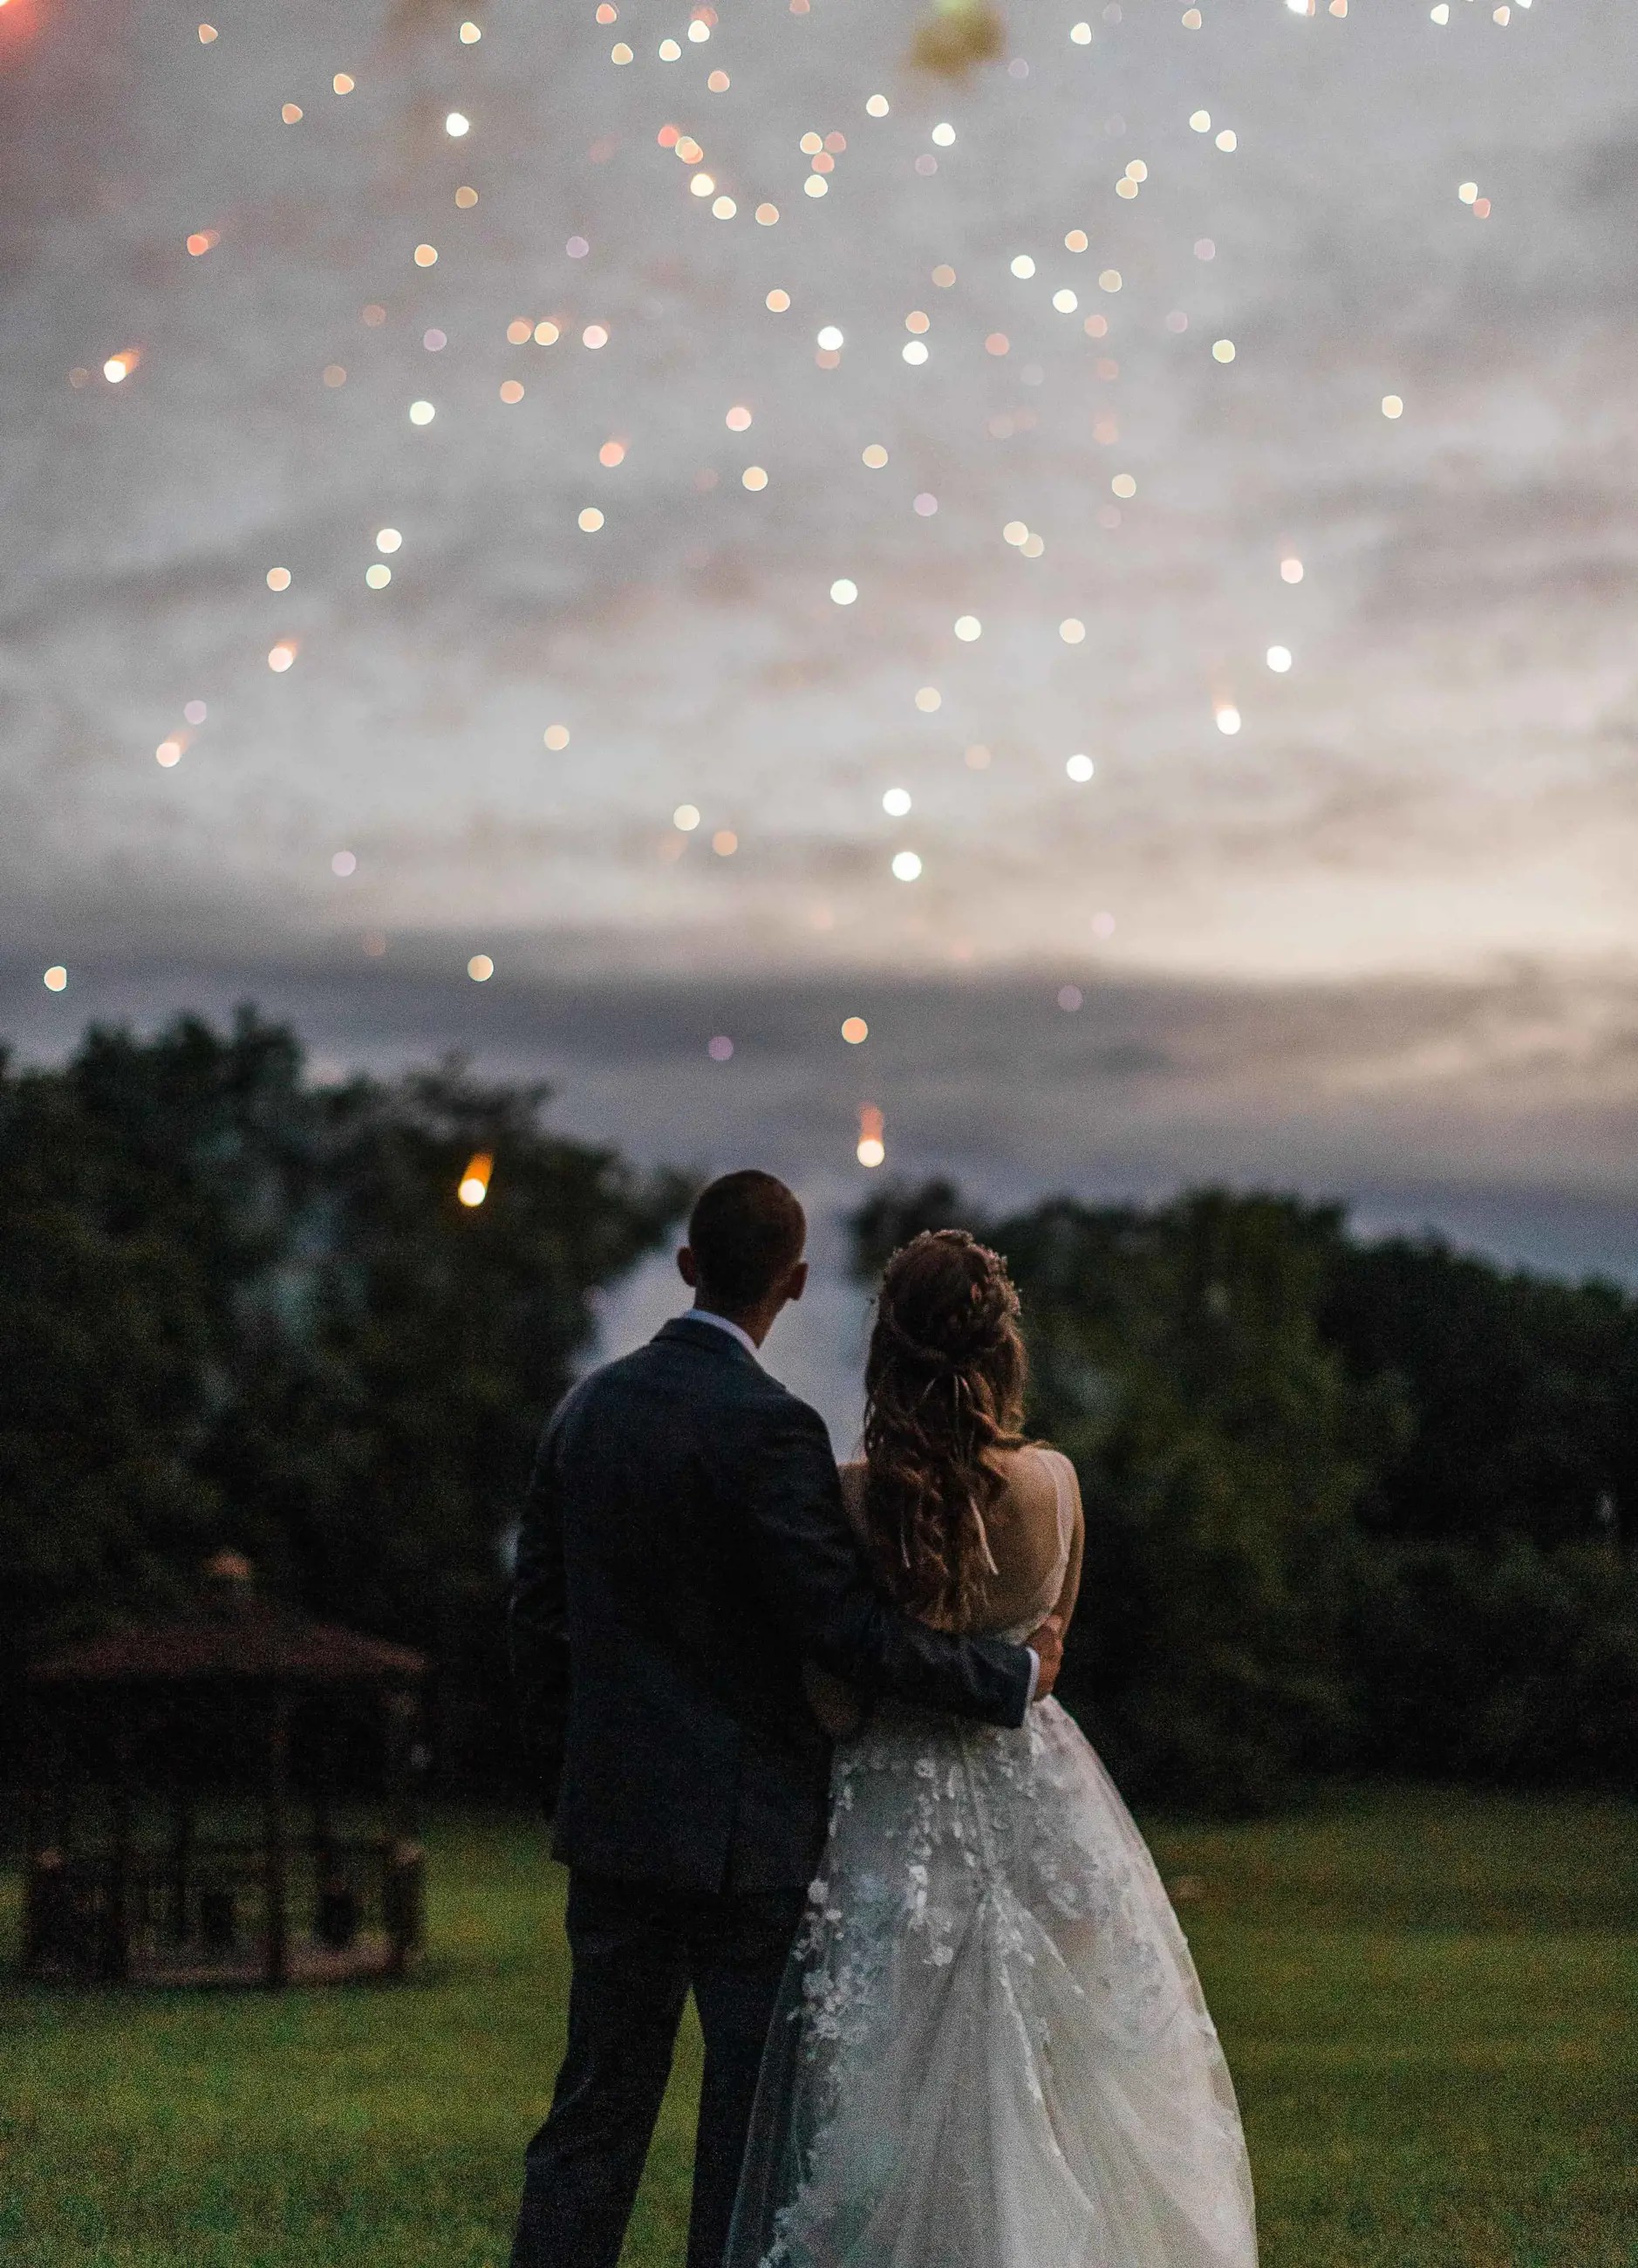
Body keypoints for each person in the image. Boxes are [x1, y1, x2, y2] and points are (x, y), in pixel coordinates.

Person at [507, 1173, 1065, 2268]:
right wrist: (1002, 1679)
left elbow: (537, 1620)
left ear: (685, 1264)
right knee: (747, 2128)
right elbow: (845, 1630)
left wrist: (572, 1777)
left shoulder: (586, 1409)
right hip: (746, 1844)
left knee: (593, 2115)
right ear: (796, 1281)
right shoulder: (772, 1429)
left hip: (614, 1828)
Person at [726, 1228, 1259, 2268]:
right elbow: (1051, 1642)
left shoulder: (850, 1495)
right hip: (1042, 1797)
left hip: (895, 1811)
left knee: (890, 2082)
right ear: (1003, 1348)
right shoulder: (1055, 1486)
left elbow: (835, 1702)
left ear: (887, 1350)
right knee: (1068, 2072)